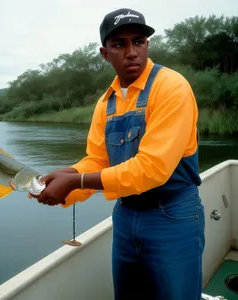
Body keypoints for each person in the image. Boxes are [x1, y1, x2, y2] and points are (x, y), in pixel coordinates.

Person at [30, 8, 205, 300]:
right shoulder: (106, 102)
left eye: (139, 41)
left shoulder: (171, 88)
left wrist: (76, 182)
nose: (131, 52)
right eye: (119, 44)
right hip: (126, 216)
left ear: (148, 44)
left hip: (173, 214)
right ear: (104, 53)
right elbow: (97, 160)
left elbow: (151, 169)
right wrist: (63, 183)